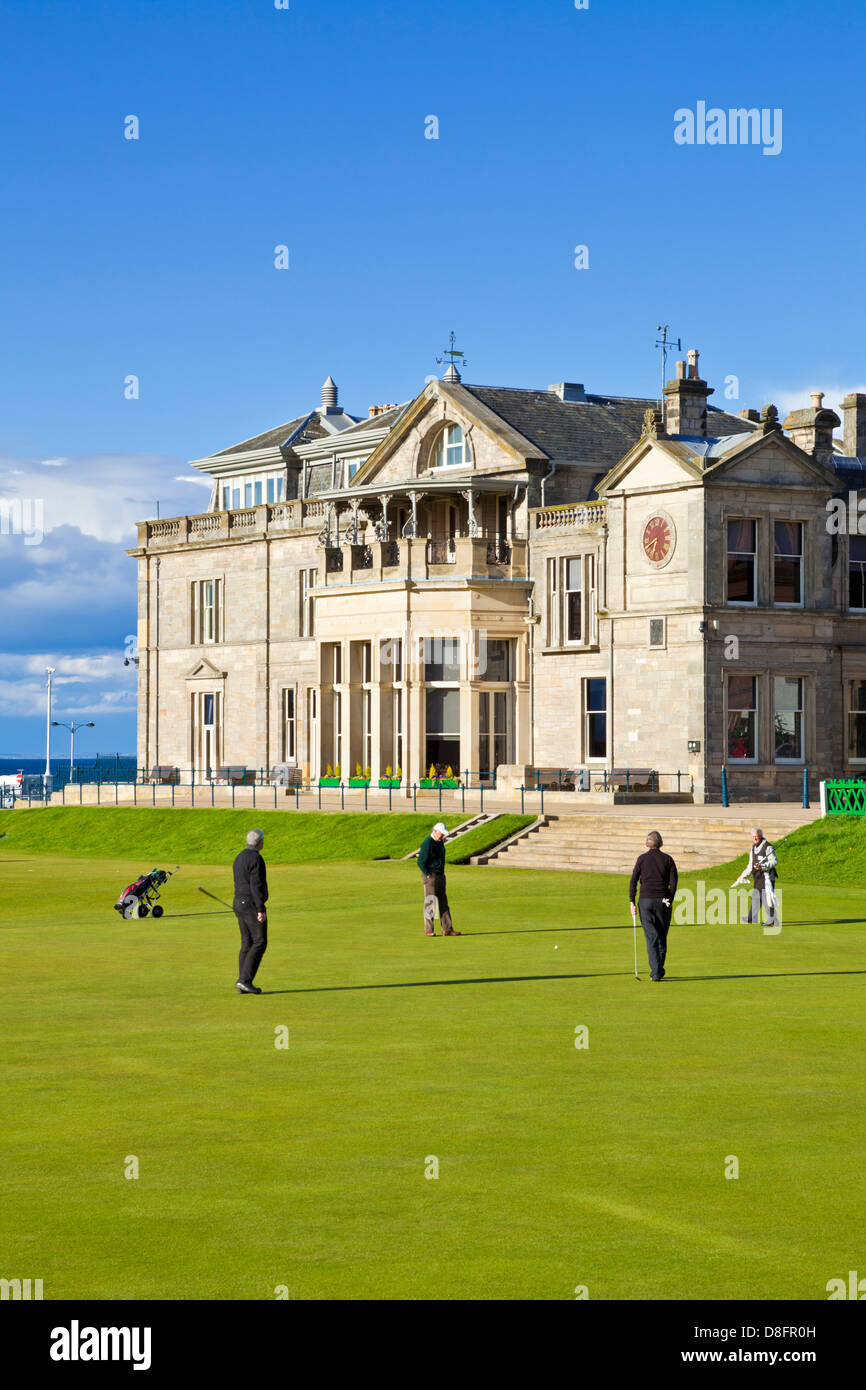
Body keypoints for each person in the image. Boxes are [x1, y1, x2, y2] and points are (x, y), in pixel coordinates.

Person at [629, 830, 678, 982]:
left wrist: (632, 901)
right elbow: (674, 883)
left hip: (645, 901)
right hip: (663, 900)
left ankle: (656, 971)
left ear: (646, 844)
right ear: (661, 844)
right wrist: (669, 899)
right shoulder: (668, 859)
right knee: (661, 936)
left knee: (652, 937)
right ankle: (657, 970)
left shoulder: (642, 859)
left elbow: (633, 881)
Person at [232, 828, 269, 993]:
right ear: (260, 842)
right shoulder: (256, 858)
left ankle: (243, 983)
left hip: (239, 902)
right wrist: (260, 909)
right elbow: (256, 885)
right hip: (251, 904)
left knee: (247, 943)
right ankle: (244, 980)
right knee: (260, 941)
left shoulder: (239, 857)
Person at [417, 821, 460, 937]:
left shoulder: (440, 842)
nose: (442, 836)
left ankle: (447, 929)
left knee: (443, 902)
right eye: (441, 833)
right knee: (430, 902)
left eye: (443, 834)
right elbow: (420, 861)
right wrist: (427, 874)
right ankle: (429, 930)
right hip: (430, 875)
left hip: (441, 874)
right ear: (434, 831)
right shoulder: (428, 843)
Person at [734, 828, 778, 928]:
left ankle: (773, 921)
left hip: (767, 876)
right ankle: (752, 918)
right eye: (753, 837)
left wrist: (762, 866)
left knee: (767, 899)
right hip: (758, 876)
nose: (755, 838)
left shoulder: (768, 847)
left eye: (757, 836)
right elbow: (750, 865)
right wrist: (743, 875)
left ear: (761, 836)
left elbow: (774, 861)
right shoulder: (753, 848)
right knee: (756, 897)